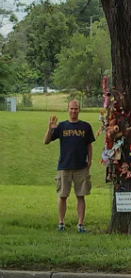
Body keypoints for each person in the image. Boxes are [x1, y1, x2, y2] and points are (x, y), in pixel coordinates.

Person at [43, 99, 95, 233]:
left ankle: (80, 224)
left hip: (81, 167)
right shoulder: (61, 126)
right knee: (62, 195)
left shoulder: (86, 127)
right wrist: (49, 129)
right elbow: (46, 141)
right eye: (71, 108)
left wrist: (89, 160)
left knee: (81, 195)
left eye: (76, 108)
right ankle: (61, 223)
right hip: (64, 166)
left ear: (79, 110)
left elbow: (89, 145)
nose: (73, 111)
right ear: (67, 110)